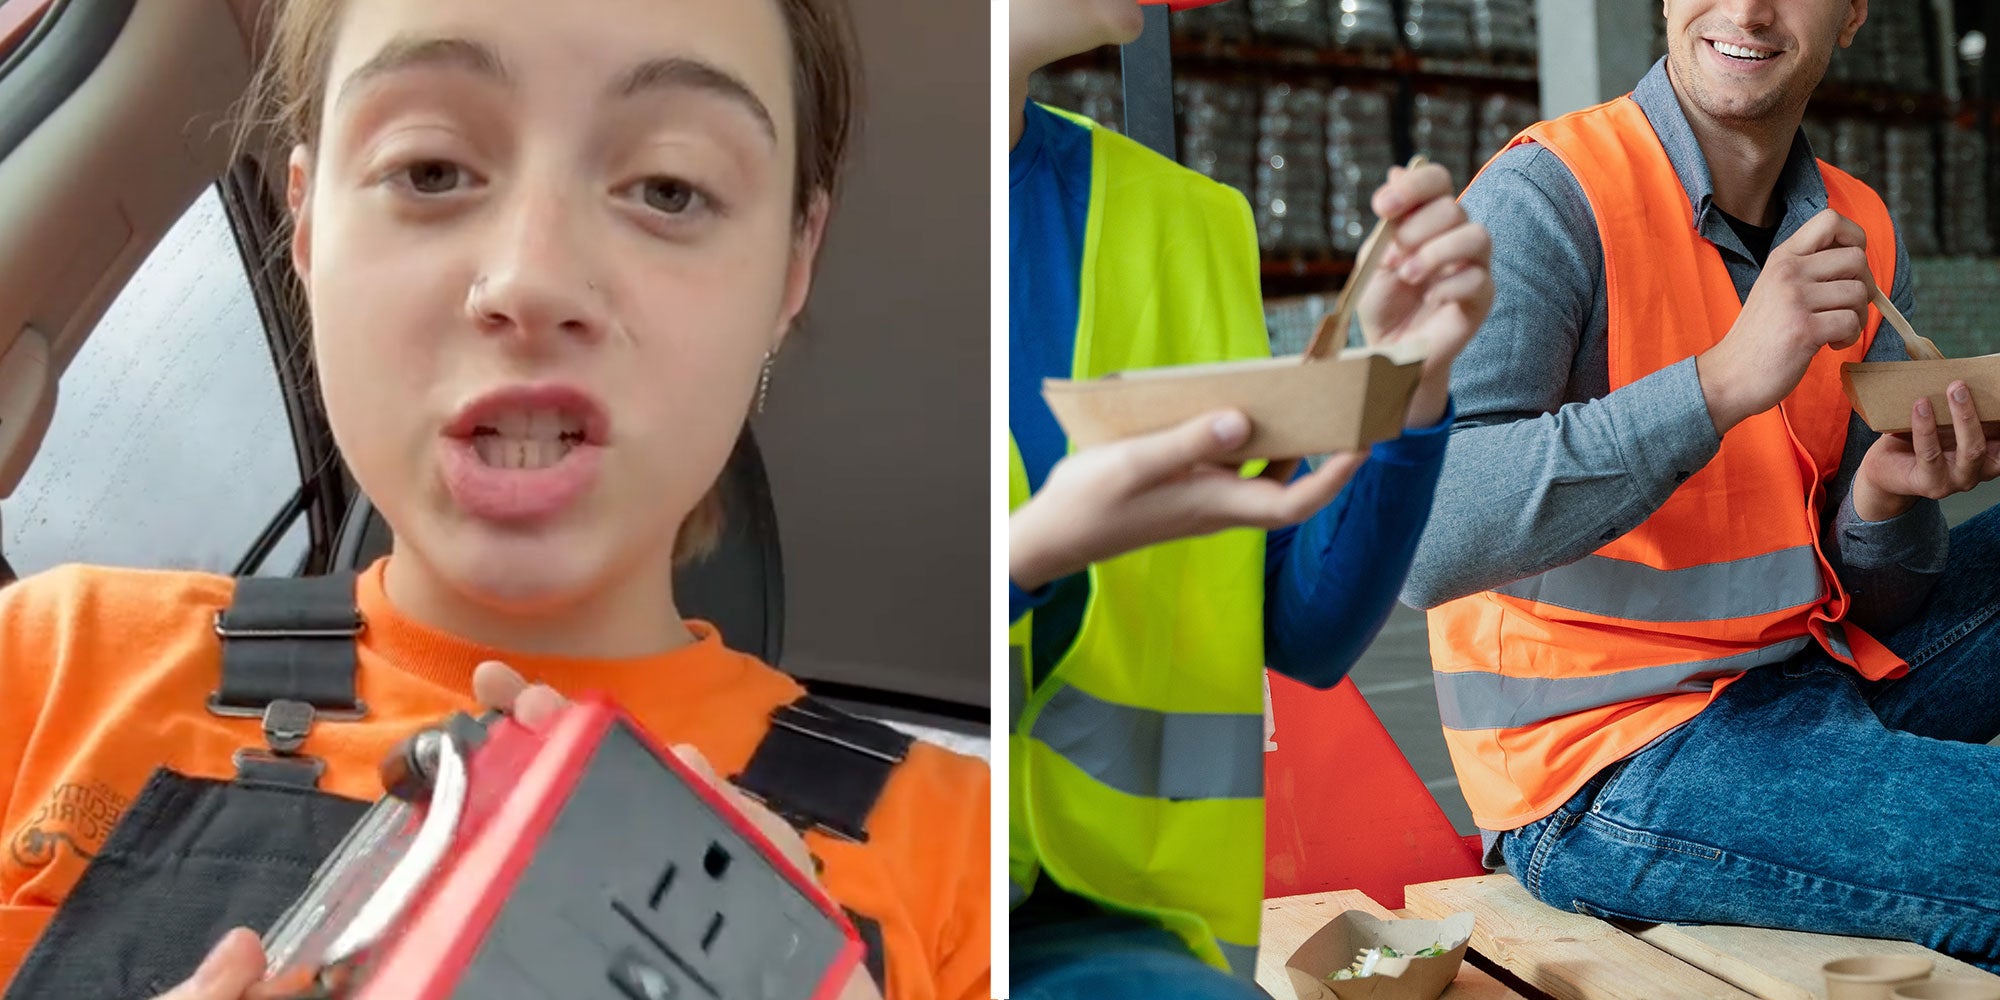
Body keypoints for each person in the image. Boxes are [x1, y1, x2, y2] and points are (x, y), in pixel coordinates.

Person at [0, 1, 989, 997]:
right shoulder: (46, 667)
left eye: (670, 187)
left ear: (793, 263)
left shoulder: (969, 862)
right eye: (430, 170)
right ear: (305, 223)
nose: (532, 279)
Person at [1405, 0, 2000, 968]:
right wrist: (1718, 383)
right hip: (1603, 759)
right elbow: (1422, 538)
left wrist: (1883, 503)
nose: (1748, 10)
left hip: (1800, 675)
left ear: (1853, 13)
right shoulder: (1546, 197)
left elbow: (1874, 601)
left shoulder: (1856, 228)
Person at [1006, 0, 1494, 995]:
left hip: (1122, 932)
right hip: (870, 887)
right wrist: (1020, 561)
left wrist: (1402, 382)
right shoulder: (794, 216)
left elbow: (1302, 625)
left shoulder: (1182, 221)